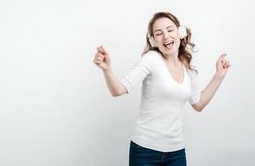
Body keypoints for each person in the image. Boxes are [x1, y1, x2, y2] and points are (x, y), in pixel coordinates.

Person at [93, 12, 231, 166]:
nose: (166, 36)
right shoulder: (151, 59)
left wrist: (218, 76)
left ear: (180, 32)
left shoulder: (186, 65)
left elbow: (198, 103)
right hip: (145, 151)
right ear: (153, 40)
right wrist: (106, 69)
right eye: (159, 33)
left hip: (177, 152)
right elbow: (118, 90)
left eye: (170, 30)